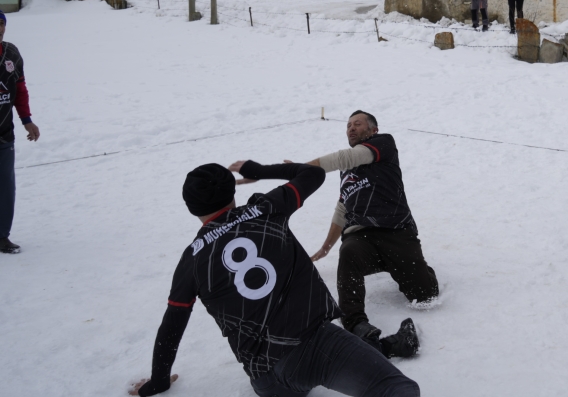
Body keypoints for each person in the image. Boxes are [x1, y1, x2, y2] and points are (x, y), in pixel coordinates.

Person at [128, 161, 419, 397]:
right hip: (317, 343)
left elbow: (171, 326)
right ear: (231, 193)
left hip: (268, 379)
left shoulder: (191, 259)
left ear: (191, 208)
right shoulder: (266, 208)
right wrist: (258, 170)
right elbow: (313, 173)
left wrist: (159, 382)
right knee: (399, 390)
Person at [307, 111, 438, 359]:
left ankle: (415, 268)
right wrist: (326, 247)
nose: (351, 129)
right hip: (361, 237)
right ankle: (355, 322)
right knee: (349, 252)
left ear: (373, 130)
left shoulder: (384, 144)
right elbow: (343, 208)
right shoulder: (345, 170)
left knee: (425, 296)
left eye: (357, 124)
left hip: (396, 232)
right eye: (348, 125)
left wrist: (297, 169)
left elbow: (347, 156)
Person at [0, 11, 40, 255]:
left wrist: (27, 120)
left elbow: (19, 89)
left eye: (1, 23)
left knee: (6, 187)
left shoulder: (11, 54)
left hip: (5, 133)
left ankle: (2, 235)